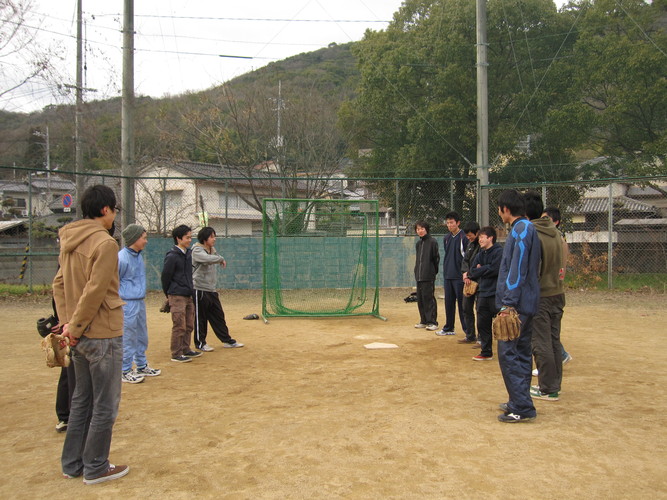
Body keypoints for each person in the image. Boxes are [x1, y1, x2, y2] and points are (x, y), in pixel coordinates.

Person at [52, 184, 130, 484]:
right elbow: (96, 290)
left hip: (80, 336)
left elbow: (59, 285)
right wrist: (75, 326)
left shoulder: (69, 240)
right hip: (102, 333)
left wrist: (68, 324)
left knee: (82, 401)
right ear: (105, 209)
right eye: (114, 210)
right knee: (105, 404)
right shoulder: (105, 243)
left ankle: (72, 463)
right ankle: (96, 466)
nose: (114, 216)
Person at [495, 189, 540, 423]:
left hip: (518, 304)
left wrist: (508, 304)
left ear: (506, 209)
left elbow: (517, 268)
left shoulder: (521, 229)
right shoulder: (526, 227)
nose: (499, 213)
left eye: (499, 209)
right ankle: (519, 399)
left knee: (509, 353)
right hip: (526, 302)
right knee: (521, 352)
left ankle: (521, 406)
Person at [526, 194, 565, 401]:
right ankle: (554, 385)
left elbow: (533, 269)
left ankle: (548, 388)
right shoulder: (555, 232)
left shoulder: (533, 233)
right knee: (553, 341)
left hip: (541, 295)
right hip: (558, 293)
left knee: (541, 343)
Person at [118, 224, 161, 383]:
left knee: (142, 335)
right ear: (134, 239)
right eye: (144, 238)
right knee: (128, 337)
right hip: (127, 303)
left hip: (139, 301)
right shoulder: (121, 258)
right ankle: (125, 370)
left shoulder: (138, 256)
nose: (146, 241)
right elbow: (113, 281)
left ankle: (141, 365)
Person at [193, 226, 244, 350]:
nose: (214, 239)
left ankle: (227, 340)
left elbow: (214, 257)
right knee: (201, 318)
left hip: (211, 289)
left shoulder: (212, 249)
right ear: (204, 239)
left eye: (214, 236)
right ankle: (200, 343)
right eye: (211, 237)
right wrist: (221, 259)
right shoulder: (197, 250)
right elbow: (207, 259)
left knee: (218, 316)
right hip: (199, 289)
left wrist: (219, 258)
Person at [161, 225, 203, 363]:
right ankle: (176, 353)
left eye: (190, 237)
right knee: (179, 325)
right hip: (177, 295)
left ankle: (186, 349)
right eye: (187, 237)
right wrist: (169, 294)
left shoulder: (188, 254)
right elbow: (165, 276)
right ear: (178, 239)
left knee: (189, 324)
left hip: (188, 294)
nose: (190, 240)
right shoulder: (172, 256)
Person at [467, 226, 502, 361]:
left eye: (482, 237)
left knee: (502, 324)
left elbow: (496, 269)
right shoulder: (480, 254)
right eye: (479, 237)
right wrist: (484, 269)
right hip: (483, 292)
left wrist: (482, 269)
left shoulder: (499, 252)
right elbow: (472, 272)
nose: (479, 240)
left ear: (490, 238)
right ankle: (486, 352)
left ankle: (507, 352)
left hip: (496, 293)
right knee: (482, 323)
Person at [436, 211, 468, 336]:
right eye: (448, 223)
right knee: (449, 303)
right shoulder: (446, 238)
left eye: (452, 222)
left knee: (462, 305)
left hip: (459, 277)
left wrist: (465, 273)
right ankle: (449, 327)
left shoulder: (464, 237)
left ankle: (468, 331)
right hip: (448, 276)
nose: (449, 225)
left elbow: (466, 257)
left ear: (458, 223)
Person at [413, 220, 440, 331]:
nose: (420, 231)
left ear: (426, 229)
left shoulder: (433, 242)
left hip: (428, 276)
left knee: (429, 298)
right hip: (419, 276)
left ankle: (432, 322)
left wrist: (432, 271)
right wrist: (417, 271)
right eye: (418, 229)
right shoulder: (418, 244)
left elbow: (436, 259)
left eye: (422, 229)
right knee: (420, 299)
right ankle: (423, 321)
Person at [459, 221, 480, 344]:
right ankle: (470, 335)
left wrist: (470, 274)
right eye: (467, 235)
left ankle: (481, 338)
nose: (468, 238)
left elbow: (479, 265)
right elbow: (465, 260)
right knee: (466, 307)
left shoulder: (482, 245)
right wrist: (465, 273)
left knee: (480, 309)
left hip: (479, 281)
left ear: (477, 233)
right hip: (468, 282)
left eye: (470, 235)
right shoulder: (470, 245)